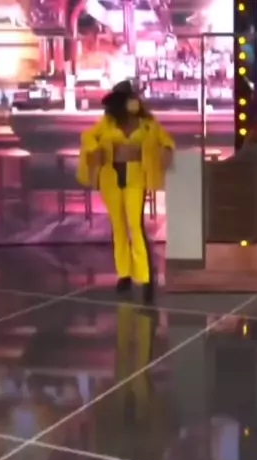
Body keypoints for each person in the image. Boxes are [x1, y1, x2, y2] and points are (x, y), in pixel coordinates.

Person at [76, 80, 175, 303]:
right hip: (111, 178)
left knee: (135, 225)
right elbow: (88, 137)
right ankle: (124, 274)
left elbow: (166, 140)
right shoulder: (107, 123)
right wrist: (95, 149)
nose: (134, 101)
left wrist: (165, 152)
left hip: (136, 177)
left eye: (134, 97)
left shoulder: (148, 123)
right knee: (118, 227)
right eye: (129, 98)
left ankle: (145, 277)